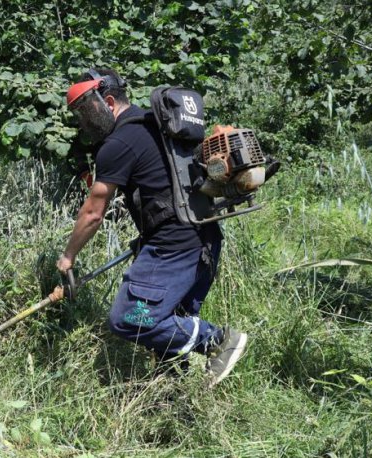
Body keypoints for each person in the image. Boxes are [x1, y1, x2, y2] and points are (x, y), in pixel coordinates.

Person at [56, 68, 247, 385]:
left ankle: (219, 341)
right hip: (204, 238)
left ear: (107, 101)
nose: (83, 123)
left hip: (173, 248)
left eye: (84, 112)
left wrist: (68, 256)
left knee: (130, 319)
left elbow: (93, 212)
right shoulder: (156, 125)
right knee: (170, 330)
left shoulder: (117, 144)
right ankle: (172, 404)